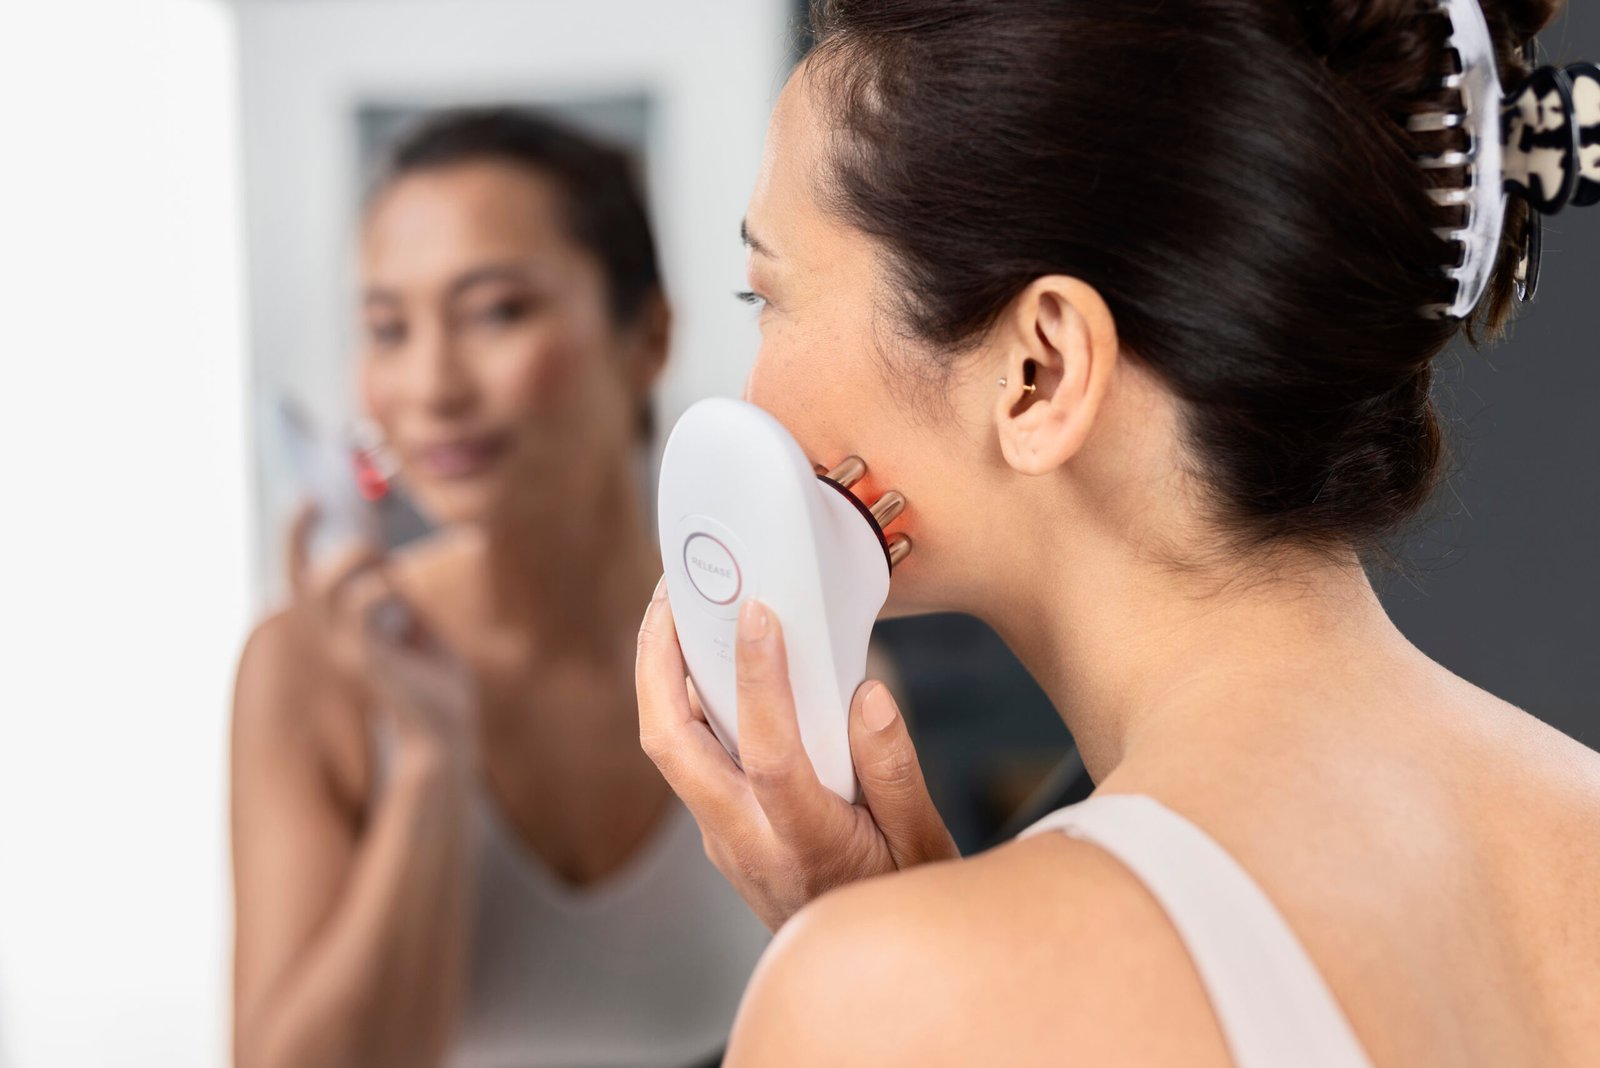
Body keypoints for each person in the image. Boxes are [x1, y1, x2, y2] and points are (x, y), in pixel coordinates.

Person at [636, 1, 1600, 1064]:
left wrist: (872, 972)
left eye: (767, 295)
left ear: (1039, 373)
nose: (752, 397)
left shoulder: (900, 997)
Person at [231, 108, 769, 1068]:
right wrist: (428, 761)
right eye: (387, 329)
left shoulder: (774, 648)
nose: (431, 385)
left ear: (648, 336)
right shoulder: (309, 669)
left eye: (495, 312)